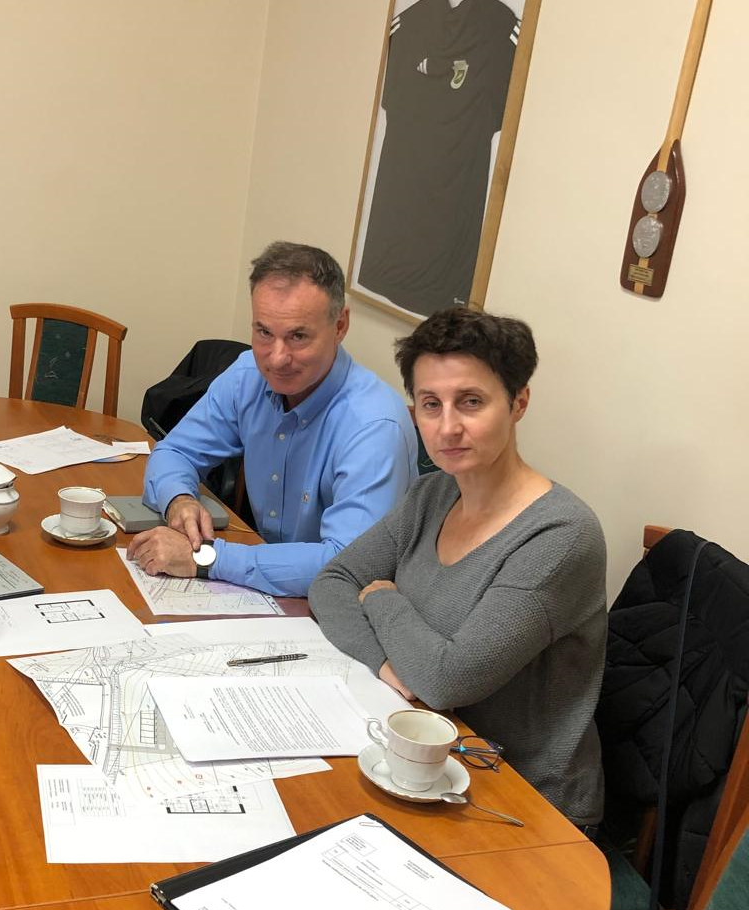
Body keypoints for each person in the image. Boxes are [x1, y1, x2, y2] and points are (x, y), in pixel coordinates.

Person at [309, 307, 606, 826]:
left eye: (471, 401)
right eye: (431, 404)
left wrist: (382, 597)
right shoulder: (433, 494)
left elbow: (447, 680)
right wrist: (388, 666)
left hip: (519, 798)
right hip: (418, 752)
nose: (447, 427)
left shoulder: (561, 535)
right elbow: (332, 583)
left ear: (518, 403)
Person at [128, 241, 418, 597]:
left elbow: (347, 564)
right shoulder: (247, 376)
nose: (277, 359)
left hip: (345, 605)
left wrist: (208, 559)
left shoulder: (373, 426)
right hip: (265, 589)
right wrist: (179, 500)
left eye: (298, 336)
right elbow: (174, 452)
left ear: (340, 325)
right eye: (264, 333)